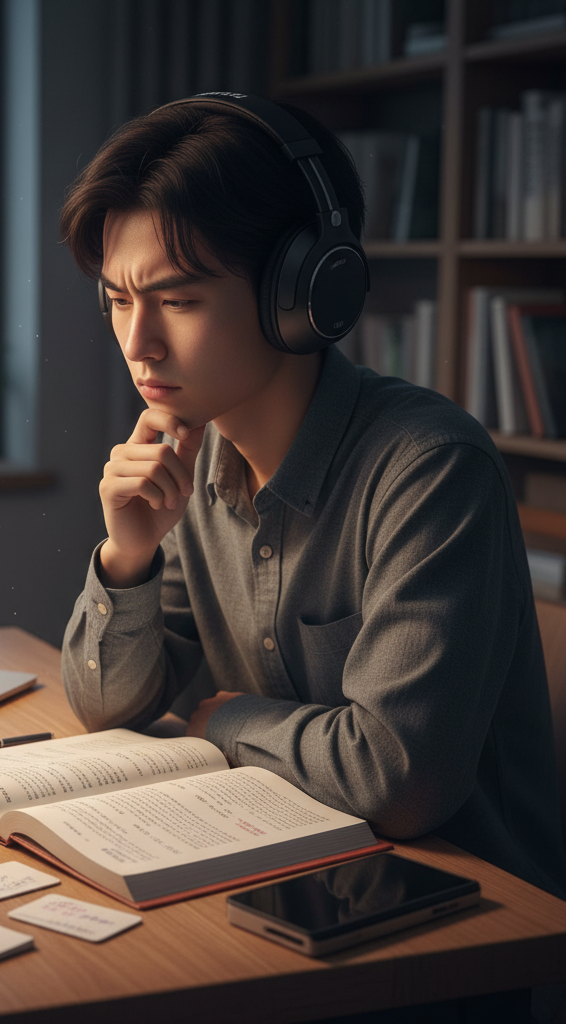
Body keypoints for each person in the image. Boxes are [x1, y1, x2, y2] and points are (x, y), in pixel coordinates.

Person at [59, 93, 566, 901]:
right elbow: (109, 705)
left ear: (302, 294)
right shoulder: (198, 452)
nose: (137, 343)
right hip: (296, 870)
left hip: (471, 922)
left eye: (178, 301)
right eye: (119, 300)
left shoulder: (431, 471)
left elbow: (398, 780)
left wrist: (225, 718)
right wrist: (128, 555)